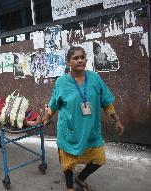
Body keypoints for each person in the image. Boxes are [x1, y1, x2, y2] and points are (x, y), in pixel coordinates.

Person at [43, 47, 124, 191]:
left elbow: (106, 102)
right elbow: (54, 103)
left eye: (82, 57)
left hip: (90, 130)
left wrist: (116, 120)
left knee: (98, 159)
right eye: (75, 58)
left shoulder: (95, 78)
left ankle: (80, 178)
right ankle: (69, 187)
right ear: (68, 62)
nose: (80, 60)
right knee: (68, 162)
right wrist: (46, 116)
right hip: (69, 130)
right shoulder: (61, 82)